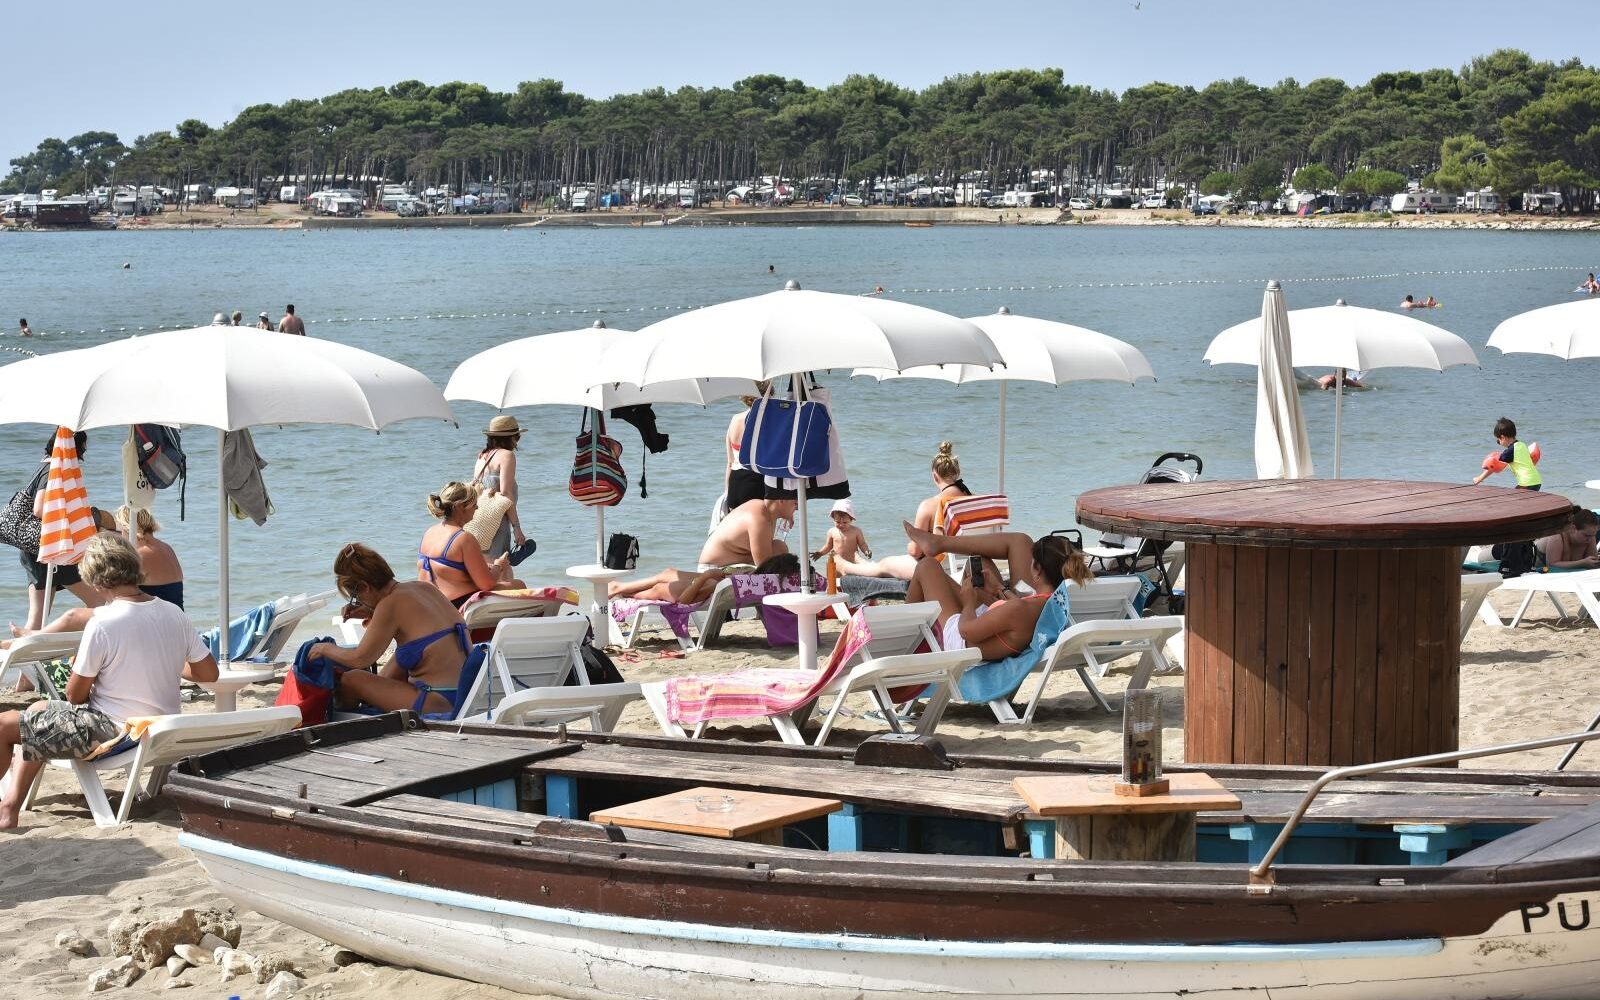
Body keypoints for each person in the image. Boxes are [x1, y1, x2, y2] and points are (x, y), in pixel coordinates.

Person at [0, 533, 218, 828]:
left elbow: (75, 696)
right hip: (161, 727)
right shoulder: (173, 613)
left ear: (96, 580)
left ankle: (7, 809)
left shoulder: (103, 622)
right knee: (39, 710)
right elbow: (208, 674)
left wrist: (87, 672)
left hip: (114, 731)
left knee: (3, 725)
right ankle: (10, 806)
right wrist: (161, 663)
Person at [310, 543, 474, 715]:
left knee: (350, 680)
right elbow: (411, 618)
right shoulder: (424, 588)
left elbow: (360, 659)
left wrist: (324, 648)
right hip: (466, 692)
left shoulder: (389, 605)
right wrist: (371, 610)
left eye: (355, 597)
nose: (357, 602)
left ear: (364, 587)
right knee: (402, 656)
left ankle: (345, 716)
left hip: (438, 700)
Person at [902, 523, 1092, 659]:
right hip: (990, 630)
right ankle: (938, 544)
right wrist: (999, 590)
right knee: (979, 562)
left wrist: (969, 602)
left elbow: (967, 631)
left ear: (1037, 568)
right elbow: (1012, 615)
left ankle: (904, 645)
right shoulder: (1049, 603)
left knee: (927, 566)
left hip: (961, 641)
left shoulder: (1021, 607)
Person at [18, 431, 104, 631]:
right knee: (100, 603)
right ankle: (86, 640)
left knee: (38, 617)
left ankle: (16, 645)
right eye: (82, 446)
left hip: (39, 550)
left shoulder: (45, 466)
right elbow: (40, 509)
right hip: (55, 547)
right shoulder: (52, 469)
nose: (84, 451)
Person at [418, 482, 518, 607]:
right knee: (518, 585)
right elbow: (487, 584)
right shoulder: (464, 538)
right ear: (460, 506)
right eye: (474, 505)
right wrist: (499, 565)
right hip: (455, 605)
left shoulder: (429, 532)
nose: (477, 508)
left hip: (429, 603)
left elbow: (447, 569)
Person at [608, 554, 801, 604]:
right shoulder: (756, 581)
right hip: (712, 585)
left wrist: (707, 576)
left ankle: (623, 592)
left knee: (658, 588)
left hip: (700, 589)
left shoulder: (748, 581)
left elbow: (684, 602)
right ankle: (619, 588)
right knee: (668, 573)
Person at [472, 415, 529, 560]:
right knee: (500, 565)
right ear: (511, 438)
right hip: (498, 522)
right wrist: (517, 528)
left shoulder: (482, 456)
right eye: (517, 437)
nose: (517, 442)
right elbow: (506, 494)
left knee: (483, 565)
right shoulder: (507, 455)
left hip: (479, 521)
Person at [906, 441, 973, 560]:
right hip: (972, 560)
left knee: (883, 565)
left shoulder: (928, 506)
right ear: (957, 473)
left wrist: (910, 545)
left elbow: (916, 551)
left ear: (935, 476)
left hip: (938, 565)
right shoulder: (973, 500)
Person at [699, 498, 795, 570]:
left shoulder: (764, 510)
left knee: (779, 548)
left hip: (729, 565)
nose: (798, 508)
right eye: (795, 503)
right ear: (782, 500)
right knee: (778, 555)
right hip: (714, 570)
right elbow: (764, 568)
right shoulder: (759, 516)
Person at [116, 506, 184, 608]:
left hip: (156, 617)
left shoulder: (139, 555)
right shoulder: (166, 548)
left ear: (127, 527)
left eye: (120, 530)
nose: (120, 535)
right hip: (177, 616)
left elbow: (114, 592)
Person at [723, 390, 769, 515]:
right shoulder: (763, 422)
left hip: (734, 483)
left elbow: (730, 463)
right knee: (762, 526)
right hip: (755, 482)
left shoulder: (735, 419)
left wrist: (727, 492)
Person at [1472, 417, 1542, 490]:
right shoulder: (1522, 445)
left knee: (1513, 496)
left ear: (1503, 437)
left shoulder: (1509, 452)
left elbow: (1493, 465)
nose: (1499, 443)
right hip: (1536, 481)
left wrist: (1479, 478)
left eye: (1498, 440)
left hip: (1527, 483)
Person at [812, 499, 872, 566]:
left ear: (851, 520)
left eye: (845, 522)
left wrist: (866, 551)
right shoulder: (831, 531)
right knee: (834, 571)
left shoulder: (856, 531)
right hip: (837, 563)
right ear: (833, 519)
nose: (841, 525)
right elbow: (828, 546)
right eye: (838, 522)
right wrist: (820, 553)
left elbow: (862, 544)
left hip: (852, 562)